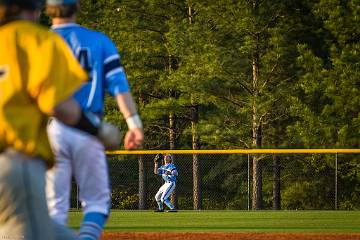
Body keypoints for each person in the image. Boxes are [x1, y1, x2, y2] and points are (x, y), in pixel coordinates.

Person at [0, 0, 120, 239]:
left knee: (43, 231)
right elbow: (57, 104)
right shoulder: (37, 39)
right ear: (34, 9)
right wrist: (98, 130)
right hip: (14, 162)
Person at [44, 0, 144, 239]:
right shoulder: (99, 41)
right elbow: (119, 88)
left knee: (54, 208)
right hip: (90, 129)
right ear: (77, 6)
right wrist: (134, 125)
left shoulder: (38, 42)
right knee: (97, 203)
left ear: (47, 9)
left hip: (51, 130)